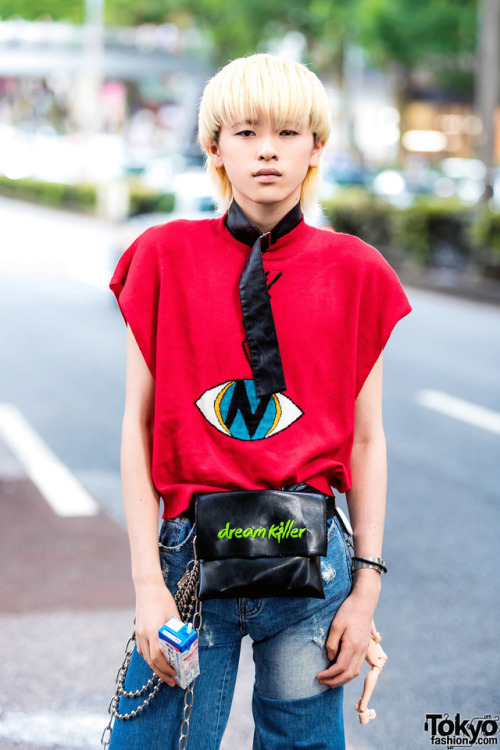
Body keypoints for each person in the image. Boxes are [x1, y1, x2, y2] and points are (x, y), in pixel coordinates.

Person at [105, 53, 411, 750]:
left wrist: (366, 591)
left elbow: (367, 441)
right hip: (187, 566)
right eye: (245, 132)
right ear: (214, 147)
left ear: (317, 146)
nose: (267, 148)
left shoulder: (357, 272)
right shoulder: (161, 257)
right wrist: (147, 586)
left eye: (288, 132)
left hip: (311, 558)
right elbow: (138, 426)